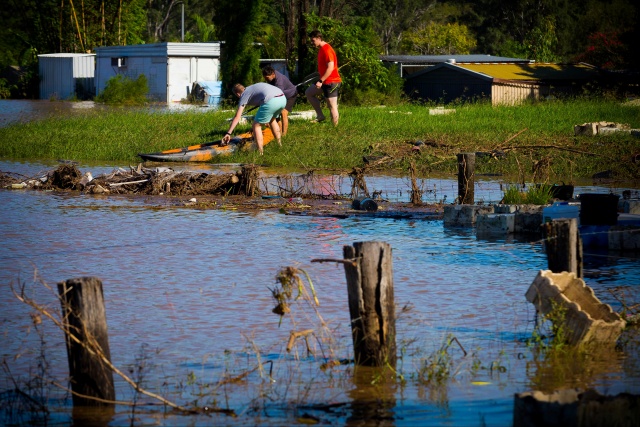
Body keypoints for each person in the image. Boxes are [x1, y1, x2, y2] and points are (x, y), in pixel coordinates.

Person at [222, 82, 286, 155]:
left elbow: (237, 117)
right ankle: (279, 145)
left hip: (271, 101)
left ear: (238, 94)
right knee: (272, 120)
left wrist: (228, 133)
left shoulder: (244, 95)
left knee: (256, 126)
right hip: (282, 99)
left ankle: (260, 153)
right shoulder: (251, 88)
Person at [305, 30, 342, 126]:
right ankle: (320, 116)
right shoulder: (321, 49)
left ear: (319, 38)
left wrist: (321, 80)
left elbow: (330, 68)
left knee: (332, 106)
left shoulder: (327, 50)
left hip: (331, 82)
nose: (312, 43)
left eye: (313, 41)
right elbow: (324, 67)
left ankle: (335, 128)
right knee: (309, 92)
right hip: (324, 81)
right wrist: (317, 75)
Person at [262, 65, 298, 136]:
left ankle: (284, 135)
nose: (266, 80)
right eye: (265, 78)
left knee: (283, 112)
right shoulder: (271, 78)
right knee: (276, 114)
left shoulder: (279, 81)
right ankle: (279, 132)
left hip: (290, 95)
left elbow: (278, 95)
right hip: (281, 95)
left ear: (272, 74)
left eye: (267, 78)